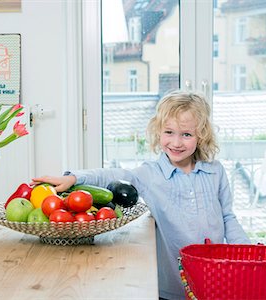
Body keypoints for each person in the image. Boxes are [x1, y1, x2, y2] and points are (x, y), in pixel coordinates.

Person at [32, 90, 251, 299]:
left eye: (186, 134)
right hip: (172, 285)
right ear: (158, 132)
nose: (176, 142)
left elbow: (228, 217)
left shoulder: (215, 171)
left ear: (201, 135)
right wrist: (75, 178)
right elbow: (113, 174)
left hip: (217, 280)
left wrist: (247, 252)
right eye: (169, 132)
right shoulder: (150, 174)